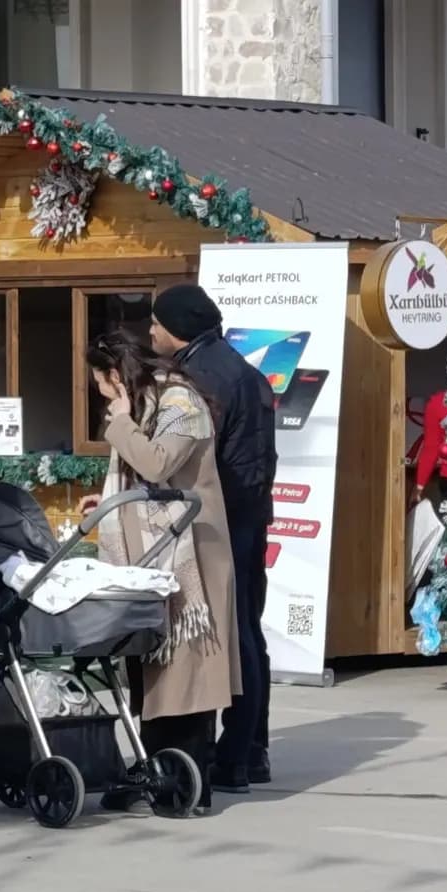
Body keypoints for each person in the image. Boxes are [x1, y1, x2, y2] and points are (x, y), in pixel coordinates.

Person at [80, 331, 240, 817]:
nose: (103, 394)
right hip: (150, 561)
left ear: (116, 374)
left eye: (102, 383)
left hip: (192, 556)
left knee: (189, 673)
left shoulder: (178, 402)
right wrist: (109, 503)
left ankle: (188, 780)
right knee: (151, 669)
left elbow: (156, 462)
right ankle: (154, 772)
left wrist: (122, 422)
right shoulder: (150, 402)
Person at [148, 283, 276, 794]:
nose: (150, 331)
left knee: (215, 633)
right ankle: (252, 750)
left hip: (217, 519)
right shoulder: (242, 370)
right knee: (248, 629)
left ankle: (217, 754)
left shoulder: (198, 380)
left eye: (156, 322)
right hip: (250, 512)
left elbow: (185, 458)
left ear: (177, 328)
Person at [412, 388, 447, 509]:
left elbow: (431, 448)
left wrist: (419, 487)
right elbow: (431, 448)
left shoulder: (438, 403)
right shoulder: (438, 403)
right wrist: (420, 485)